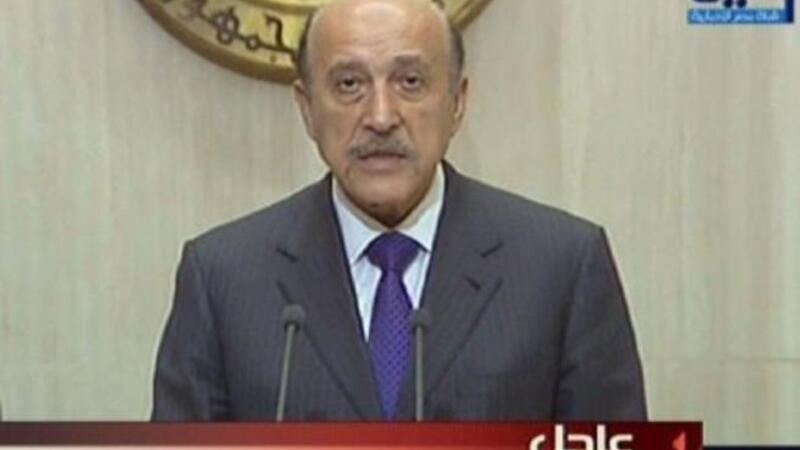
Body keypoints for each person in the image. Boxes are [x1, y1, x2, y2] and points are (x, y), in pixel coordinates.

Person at [152, 0, 647, 421]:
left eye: (410, 81)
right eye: (349, 84)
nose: (381, 116)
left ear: (457, 102)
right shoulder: (222, 277)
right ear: (307, 108)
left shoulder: (562, 267)